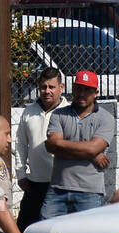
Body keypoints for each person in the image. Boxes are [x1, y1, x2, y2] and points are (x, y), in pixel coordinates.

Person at [41, 70, 114, 218]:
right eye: (79, 88)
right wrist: (91, 155)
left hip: (90, 192)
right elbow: (51, 146)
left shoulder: (106, 118)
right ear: (73, 89)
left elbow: (92, 148)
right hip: (58, 189)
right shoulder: (59, 114)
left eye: (87, 90)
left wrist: (61, 144)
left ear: (96, 93)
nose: (82, 93)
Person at [14, 68, 65, 229]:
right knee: (24, 231)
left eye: (51, 87)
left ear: (61, 88)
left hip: (61, 184)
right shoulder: (28, 112)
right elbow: (20, 144)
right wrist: (21, 174)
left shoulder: (69, 112)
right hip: (34, 184)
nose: (47, 91)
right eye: (43, 87)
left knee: (55, 230)